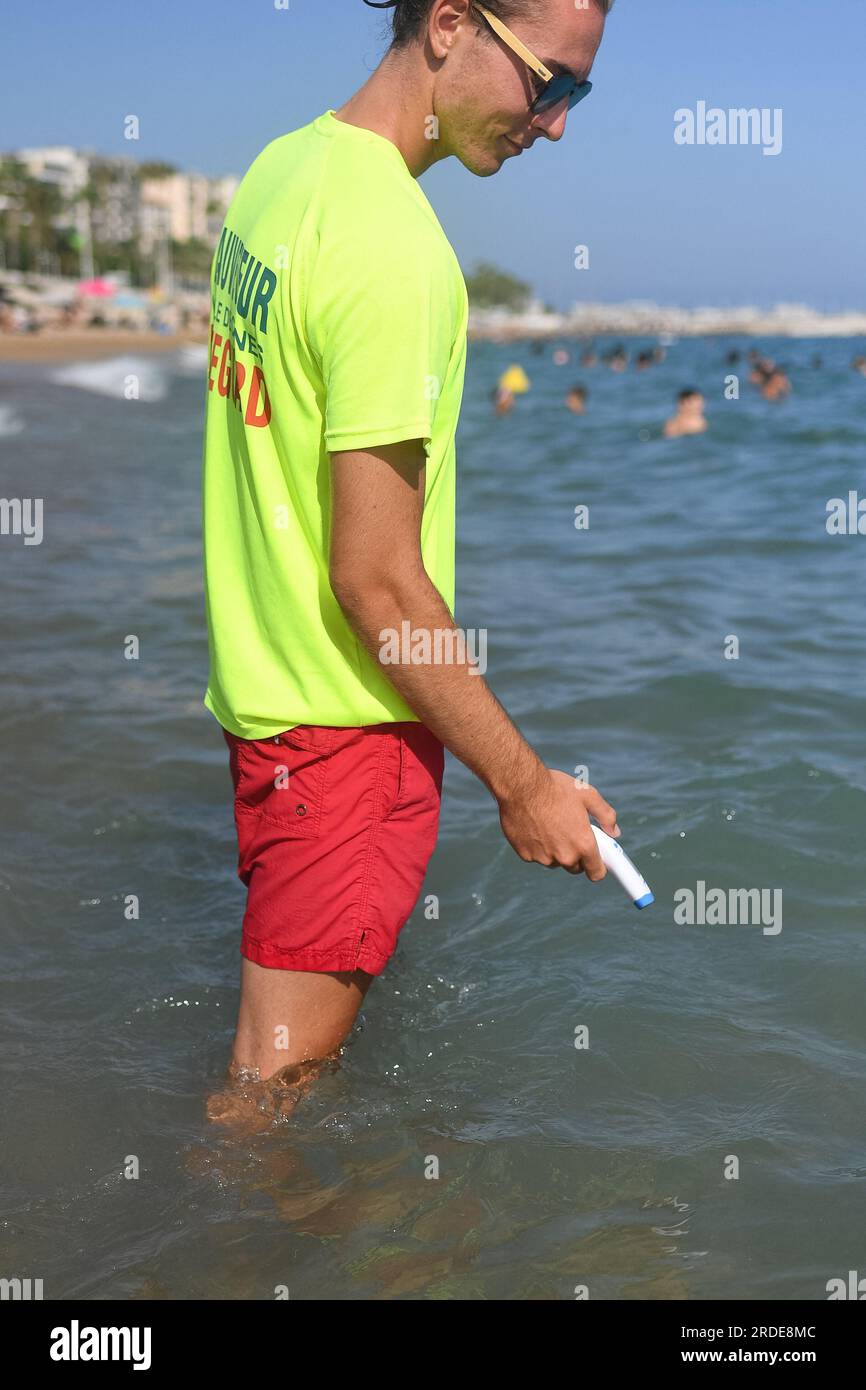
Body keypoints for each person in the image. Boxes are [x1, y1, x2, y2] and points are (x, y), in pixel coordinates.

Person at [201, 0, 619, 1110]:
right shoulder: (396, 251)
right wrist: (525, 787)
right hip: (345, 741)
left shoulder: (281, 171)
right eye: (549, 82)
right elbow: (377, 579)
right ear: (448, 23)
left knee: (276, 1090)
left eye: (576, 93)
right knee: (268, 1110)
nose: (556, 122)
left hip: (262, 710)